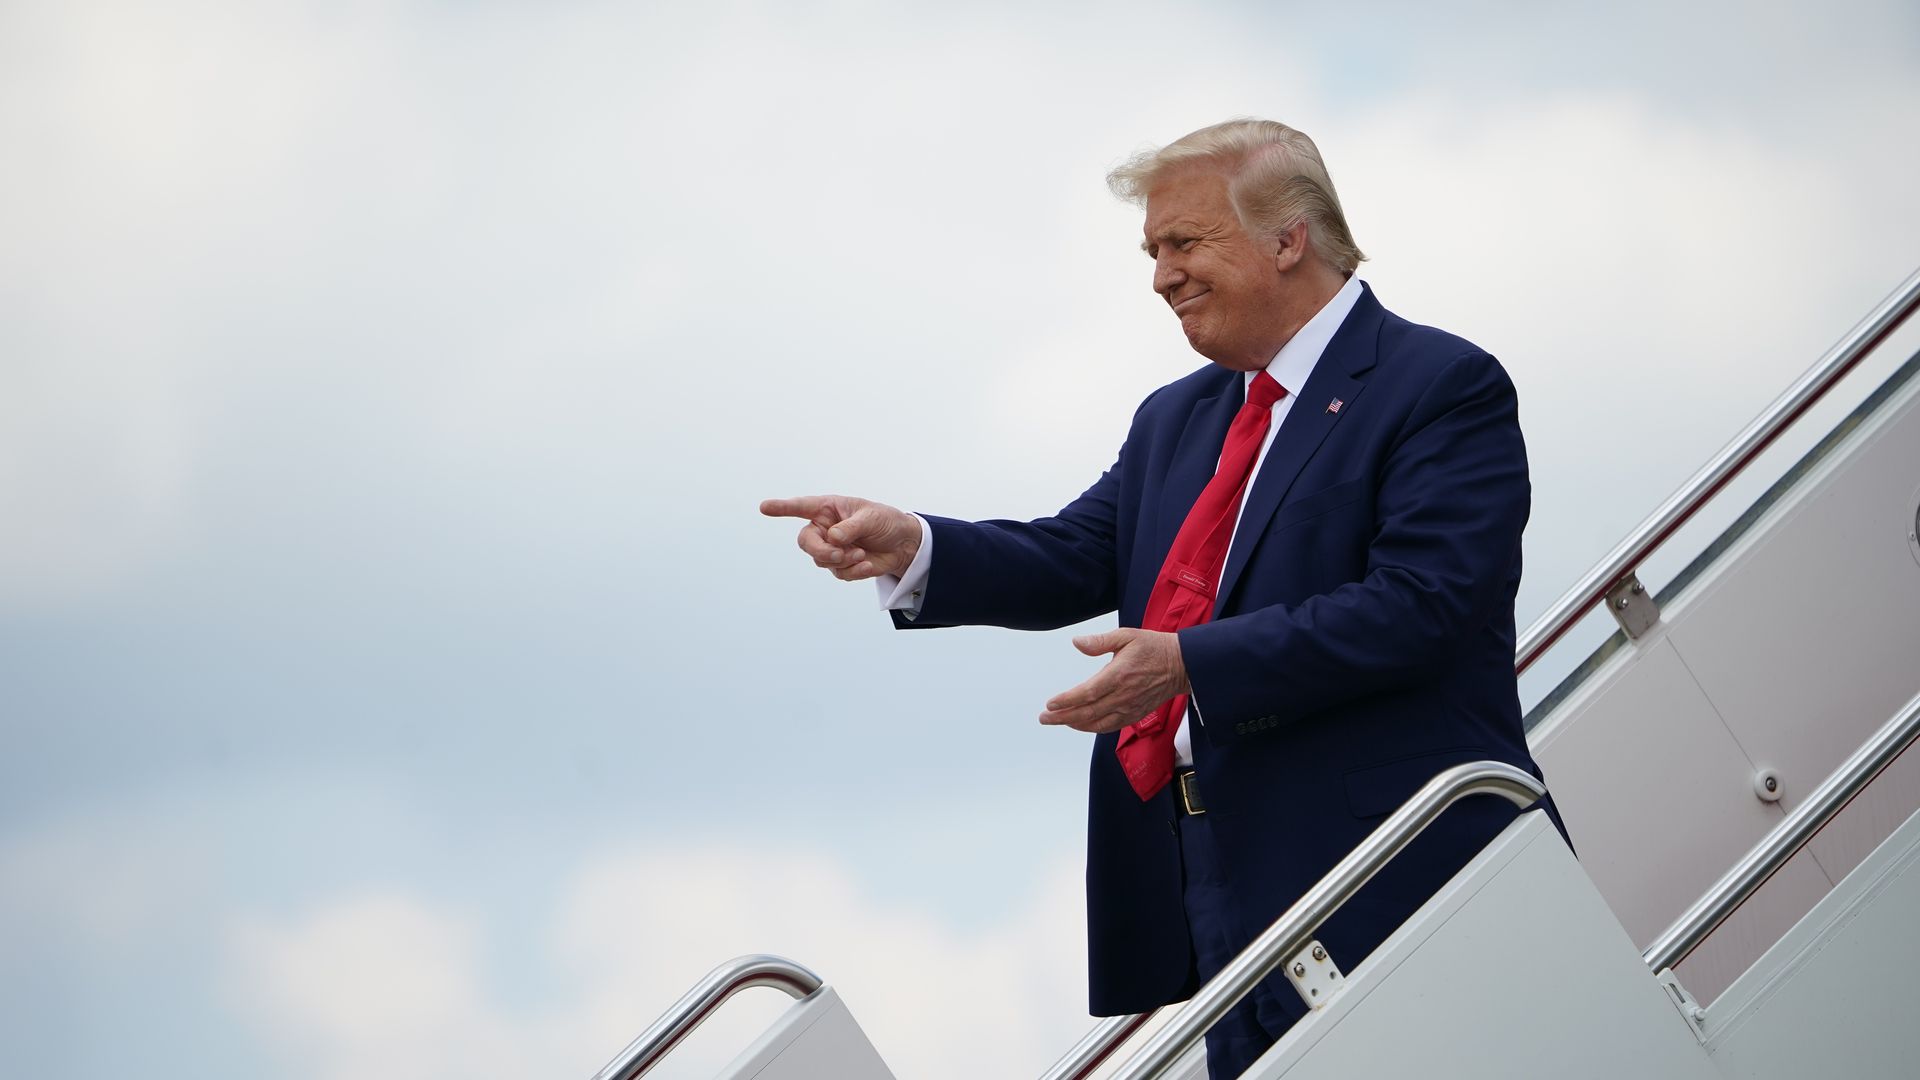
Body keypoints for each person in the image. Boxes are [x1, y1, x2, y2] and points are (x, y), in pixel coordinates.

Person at [761, 118, 1559, 1078]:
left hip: (1392, 868)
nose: (1160, 275)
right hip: (1210, 883)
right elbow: (1074, 554)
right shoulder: (1177, 416)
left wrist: (1190, 664)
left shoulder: (1438, 384)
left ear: (1286, 237)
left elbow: (1423, 607)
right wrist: (915, 543)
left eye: (1184, 243)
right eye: (1153, 251)